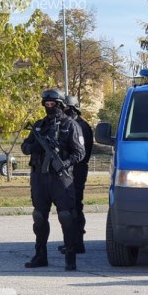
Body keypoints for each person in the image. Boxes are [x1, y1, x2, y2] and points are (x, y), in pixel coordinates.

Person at [21, 89, 85, 271]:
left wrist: (65, 163)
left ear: (61, 105)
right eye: (47, 104)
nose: (50, 107)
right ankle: (40, 256)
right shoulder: (39, 126)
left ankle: (70, 258)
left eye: (53, 104)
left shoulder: (70, 125)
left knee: (66, 217)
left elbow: (79, 152)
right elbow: (24, 147)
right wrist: (36, 147)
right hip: (40, 178)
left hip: (61, 178)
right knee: (39, 217)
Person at [58, 95, 94, 255]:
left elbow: (81, 153)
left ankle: (77, 242)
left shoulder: (81, 126)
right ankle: (72, 241)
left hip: (77, 170)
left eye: (64, 108)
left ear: (71, 109)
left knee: (74, 206)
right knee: (70, 205)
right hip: (71, 170)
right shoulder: (71, 124)